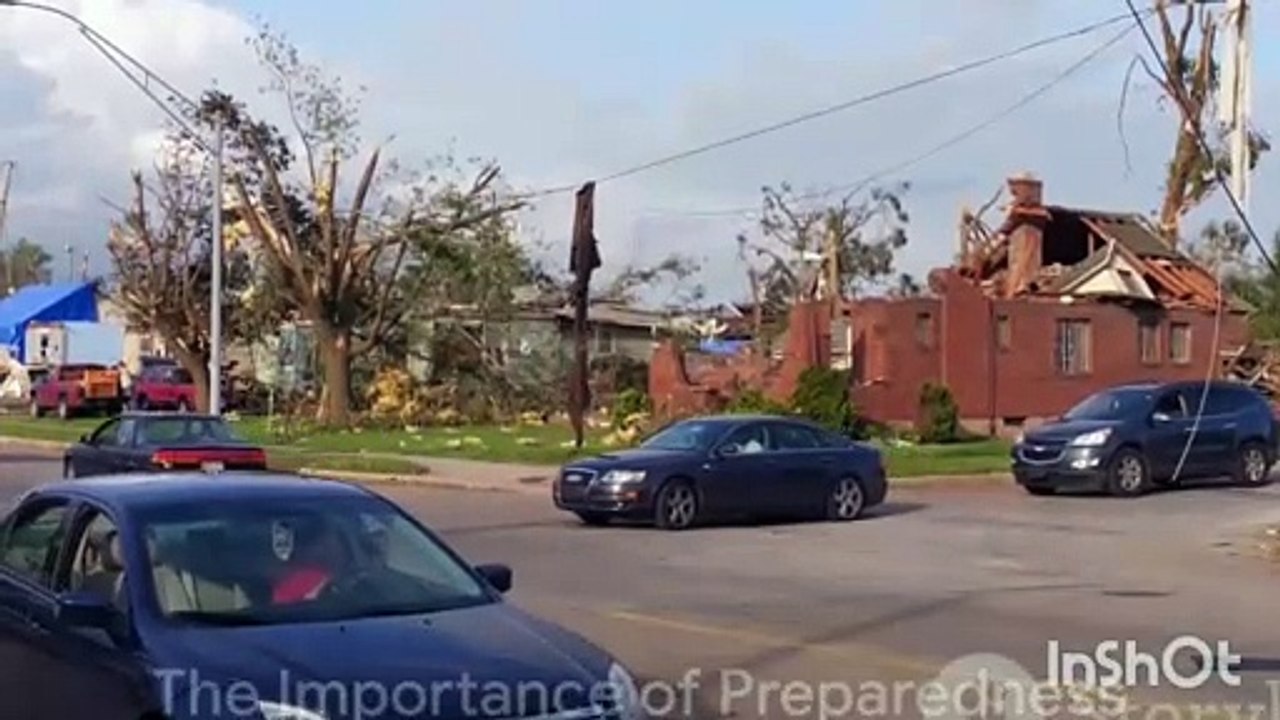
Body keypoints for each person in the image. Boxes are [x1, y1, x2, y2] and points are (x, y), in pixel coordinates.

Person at [272, 521, 349, 604]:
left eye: (334, 549)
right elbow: (282, 605)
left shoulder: (355, 581)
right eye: (324, 548)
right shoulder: (299, 581)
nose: (331, 554)